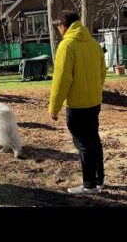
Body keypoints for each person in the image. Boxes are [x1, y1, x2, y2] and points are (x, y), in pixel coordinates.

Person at [48, 10, 107, 195]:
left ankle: (89, 185)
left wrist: (54, 107)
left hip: (77, 106)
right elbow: (102, 72)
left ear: (64, 26)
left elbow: (61, 80)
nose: (58, 29)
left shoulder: (67, 45)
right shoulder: (94, 44)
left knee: (84, 145)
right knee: (94, 141)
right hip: (94, 102)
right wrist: (95, 91)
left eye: (58, 25)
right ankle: (99, 180)